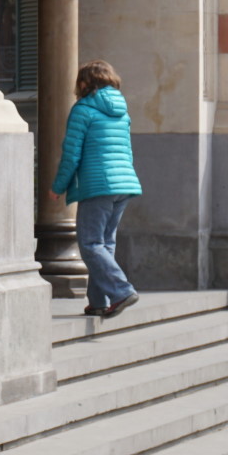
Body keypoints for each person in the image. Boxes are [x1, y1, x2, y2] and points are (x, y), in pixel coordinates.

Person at [49, 59, 143, 319]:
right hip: (124, 184)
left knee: (90, 243)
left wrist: (58, 186)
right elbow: (127, 151)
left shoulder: (83, 109)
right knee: (104, 243)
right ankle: (98, 301)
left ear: (84, 83)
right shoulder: (122, 110)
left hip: (98, 184)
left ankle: (121, 291)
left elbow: (71, 154)